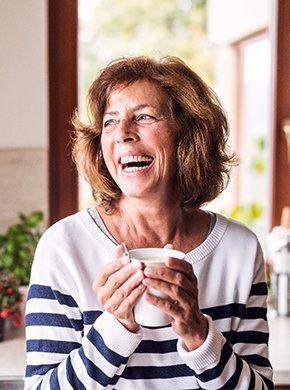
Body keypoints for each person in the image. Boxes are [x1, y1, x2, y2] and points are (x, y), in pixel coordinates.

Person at [25, 55, 273, 389]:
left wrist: (199, 334)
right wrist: (115, 328)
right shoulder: (64, 248)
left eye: (144, 116)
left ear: (188, 134)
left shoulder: (238, 250)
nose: (123, 133)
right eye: (110, 122)